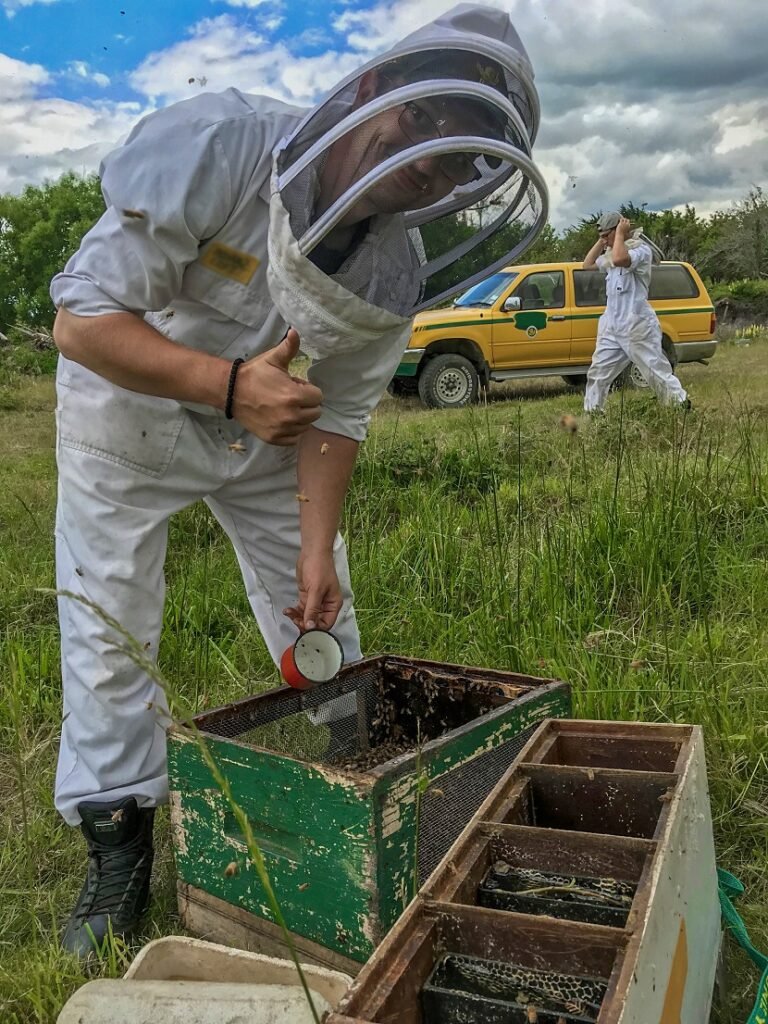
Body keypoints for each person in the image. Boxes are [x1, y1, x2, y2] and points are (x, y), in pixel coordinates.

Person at [48, 4, 548, 956]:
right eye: (412, 136)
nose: (416, 173)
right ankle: (117, 853)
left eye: (443, 170)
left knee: (325, 616)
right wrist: (228, 385)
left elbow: (343, 415)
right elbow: (81, 322)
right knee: (109, 626)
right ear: (367, 92)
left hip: (267, 438)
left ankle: (355, 801)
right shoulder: (220, 145)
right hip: (129, 413)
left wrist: (315, 551)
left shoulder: (395, 265)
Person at [582, 212, 689, 412]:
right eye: (602, 236)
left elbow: (621, 258)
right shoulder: (610, 254)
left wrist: (620, 234)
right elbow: (587, 264)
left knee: (653, 369)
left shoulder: (640, 250)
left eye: (607, 235)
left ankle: (680, 405)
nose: (604, 240)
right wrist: (603, 240)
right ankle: (594, 412)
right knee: (598, 372)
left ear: (620, 230)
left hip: (636, 324)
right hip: (612, 325)